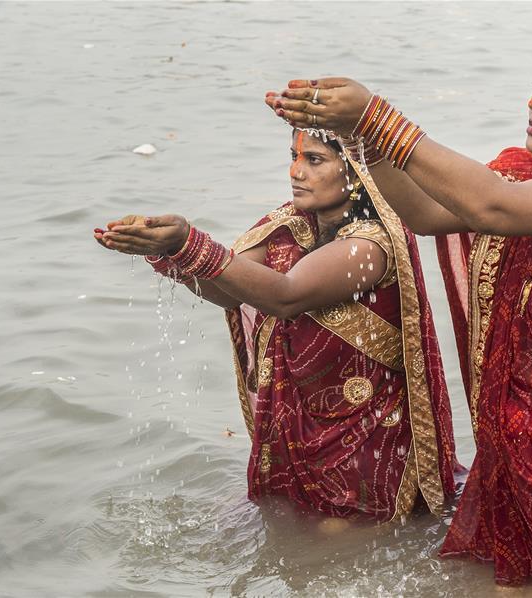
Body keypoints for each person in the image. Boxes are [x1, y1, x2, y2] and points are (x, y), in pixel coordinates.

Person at [266, 22, 532, 597]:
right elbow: (426, 213)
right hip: (516, 467)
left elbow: (494, 207)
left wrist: (378, 116)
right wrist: (361, 140)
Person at [94, 129, 457, 523]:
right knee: (276, 524)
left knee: (338, 542)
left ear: (356, 170)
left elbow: (286, 296)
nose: (295, 171)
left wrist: (189, 242)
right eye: (293, 156)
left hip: (362, 438)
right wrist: (169, 252)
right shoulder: (288, 227)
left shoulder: (372, 245)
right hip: (293, 429)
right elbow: (230, 291)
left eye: (314, 160)